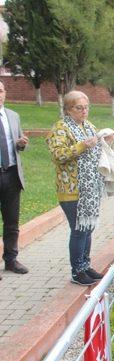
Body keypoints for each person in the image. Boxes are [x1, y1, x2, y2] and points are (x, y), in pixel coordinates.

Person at [46, 91, 106, 286]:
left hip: (90, 189)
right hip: (71, 188)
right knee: (79, 229)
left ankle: (85, 265)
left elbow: (95, 150)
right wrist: (81, 146)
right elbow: (58, 155)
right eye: (79, 108)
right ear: (68, 109)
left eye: (86, 107)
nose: (84, 111)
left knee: (88, 227)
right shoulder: (61, 128)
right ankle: (77, 271)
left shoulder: (88, 126)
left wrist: (106, 141)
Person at [0, 81, 29, 277]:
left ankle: (11, 259)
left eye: (1, 90)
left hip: (11, 174)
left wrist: (21, 143)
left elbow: (17, 146)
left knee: (12, 221)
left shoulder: (13, 116)